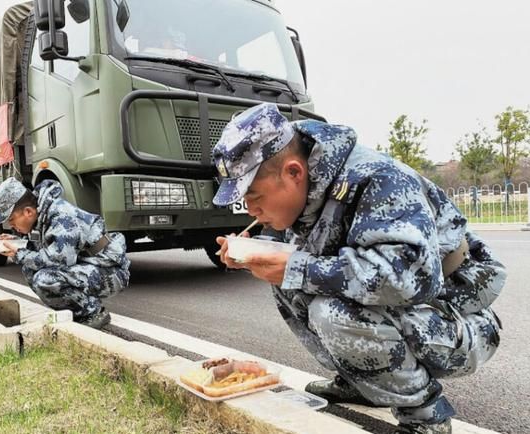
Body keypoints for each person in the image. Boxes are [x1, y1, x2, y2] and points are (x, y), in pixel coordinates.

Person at [213, 104, 505, 434]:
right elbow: (299, 259)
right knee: (288, 280)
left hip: (457, 320)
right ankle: (363, 381)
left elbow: (409, 279)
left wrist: (298, 268)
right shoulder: (308, 191)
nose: (249, 209)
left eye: (253, 195)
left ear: (294, 173)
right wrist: (249, 254)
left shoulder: (378, 180)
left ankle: (426, 420)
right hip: (413, 312)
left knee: (328, 310)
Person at [0, 177, 130, 329]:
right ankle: (73, 313)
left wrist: (19, 253)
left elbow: (58, 260)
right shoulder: (43, 213)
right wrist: (18, 243)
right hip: (87, 264)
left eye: (12, 220)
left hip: (111, 271)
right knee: (30, 269)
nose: (11, 225)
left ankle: (93, 312)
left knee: (45, 279)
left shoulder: (61, 215)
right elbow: (47, 249)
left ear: (28, 212)